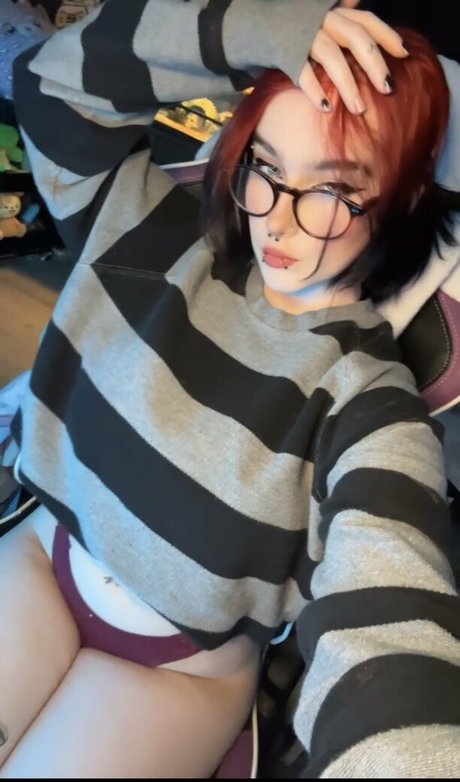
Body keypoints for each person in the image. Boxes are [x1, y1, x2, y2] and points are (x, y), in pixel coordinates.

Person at [1, 0, 460, 777]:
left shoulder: (366, 398)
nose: (278, 222)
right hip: (50, 559)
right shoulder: (145, 231)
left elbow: (390, 606)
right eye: (266, 168)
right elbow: (48, 84)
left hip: (180, 669)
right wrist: (253, 32)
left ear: (399, 200)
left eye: (331, 190)